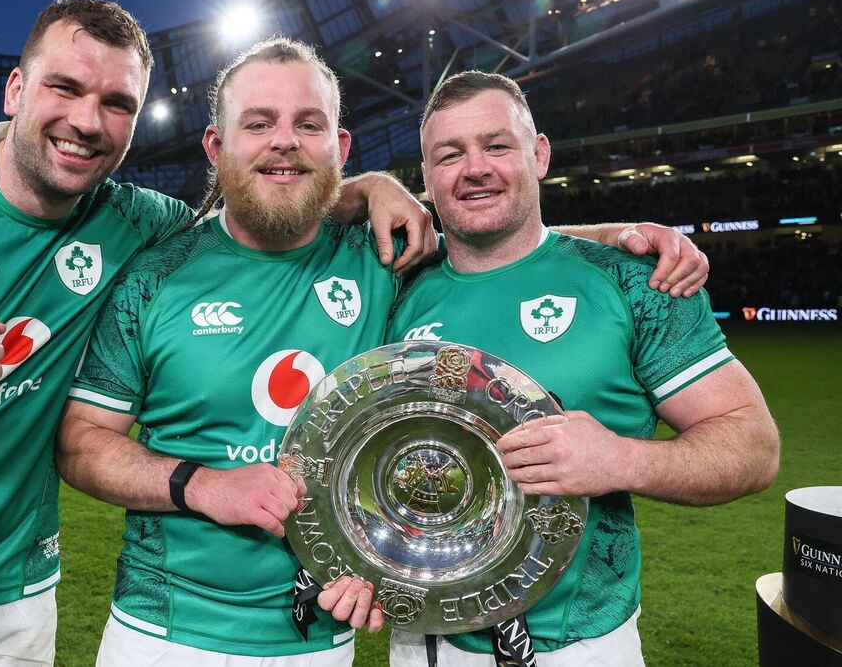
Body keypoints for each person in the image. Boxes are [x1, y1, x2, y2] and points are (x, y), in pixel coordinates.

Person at [0, 0, 439, 666]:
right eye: (65, 88)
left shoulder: (142, 225)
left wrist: (368, 188)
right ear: (16, 90)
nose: (86, 120)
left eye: (116, 103)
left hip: (18, 597)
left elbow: (264, 199)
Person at [56, 38, 711, 666]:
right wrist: (201, 486)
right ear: (216, 144)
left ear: (339, 146)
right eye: (258, 123)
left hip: (321, 638)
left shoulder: (386, 259)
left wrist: (622, 239)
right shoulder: (154, 277)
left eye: (308, 124)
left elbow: (498, 244)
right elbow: (83, 445)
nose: (284, 141)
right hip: (163, 631)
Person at [385, 71, 780, 667]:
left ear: (539, 154)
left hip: (577, 646)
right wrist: (370, 185)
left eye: (497, 145)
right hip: (421, 640)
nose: (475, 168)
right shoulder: (395, 288)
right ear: (426, 177)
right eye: (450, 155)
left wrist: (620, 459)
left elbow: (754, 446)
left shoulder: (635, 283)